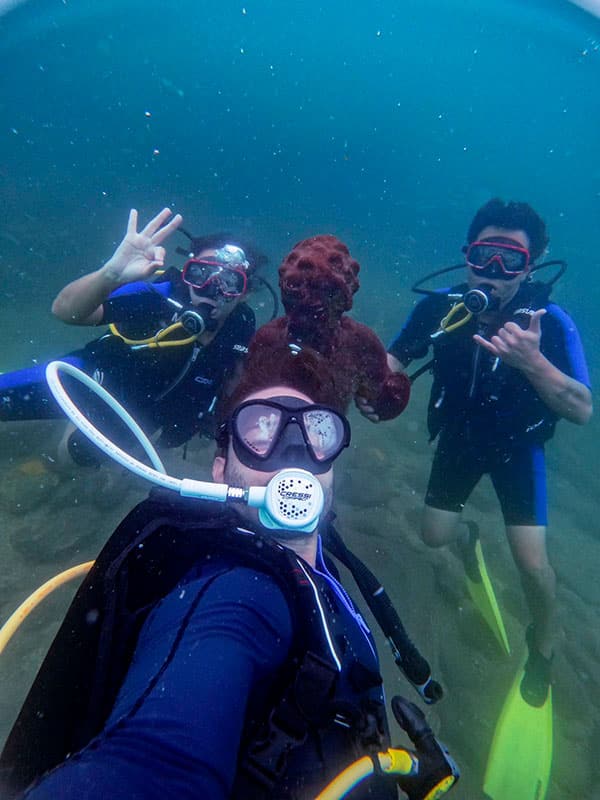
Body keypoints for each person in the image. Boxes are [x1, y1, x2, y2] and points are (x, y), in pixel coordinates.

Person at [0, 359, 457, 800]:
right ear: (221, 472)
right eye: (260, 429)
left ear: (331, 467)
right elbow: (157, 766)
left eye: (318, 430)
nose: (293, 450)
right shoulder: (238, 592)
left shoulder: (320, 563)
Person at [387, 198, 592, 706]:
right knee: (434, 538)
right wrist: (378, 387)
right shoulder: (438, 307)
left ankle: (544, 644)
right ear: (467, 256)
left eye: (511, 261)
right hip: (458, 440)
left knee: (531, 565)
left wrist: (533, 361)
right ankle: (468, 539)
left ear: (532, 266)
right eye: (484, 257)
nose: (494, 273)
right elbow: (393, 357)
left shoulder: (551, 321)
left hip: (518, 450)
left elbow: (583, 408)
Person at [0, 208, 264, 463]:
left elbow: (235, 382)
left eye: (229, 283)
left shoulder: (241, 326)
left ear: (245, 292)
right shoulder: (160, 296)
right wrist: (111, 274)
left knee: (70, 460)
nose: (209, 289)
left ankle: (58, 446)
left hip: (135, 420)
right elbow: (65, 311)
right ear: (187, 271)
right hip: (90, 380)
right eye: (201, 274)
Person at [246, 234, 411, 420]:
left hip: (319, 440)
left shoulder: (360, 342)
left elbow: (383, 397)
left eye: (324, 291)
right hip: (267, 433)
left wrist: (387, 398)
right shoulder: (268, 338)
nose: (311, 302)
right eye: (297, 286)